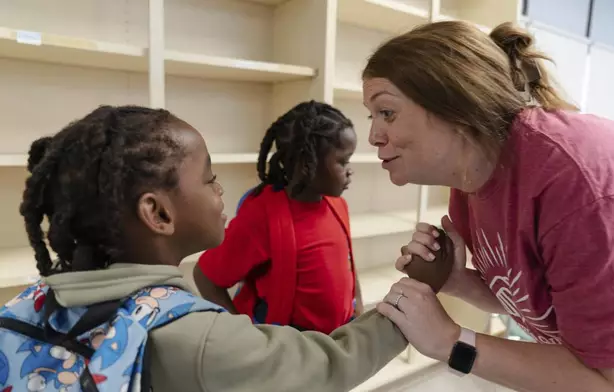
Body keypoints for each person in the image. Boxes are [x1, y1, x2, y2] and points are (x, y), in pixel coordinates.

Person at [0, 105, 406, 392]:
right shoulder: (201, 339)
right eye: (210, 179)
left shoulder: (34, 300)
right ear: (158, 213)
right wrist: (408, 308)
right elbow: (327, 367)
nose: (221, 189)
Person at [363, 20, 614, 391]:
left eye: (387, 113)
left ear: (453, 104)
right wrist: (458, 282)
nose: (373, 136)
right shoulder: (472, 178)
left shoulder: (576, 189)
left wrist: (452, 341)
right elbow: (538, 306)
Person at [194, 100, 364, 334]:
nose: (350, 170)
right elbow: (206, 277)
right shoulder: (263, 216)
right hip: (288, 351)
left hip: (336, 342)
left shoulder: (338, 204)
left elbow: (348, 265)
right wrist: (244, 336)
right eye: (343, 161)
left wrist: (358, 310)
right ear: (307, 165)